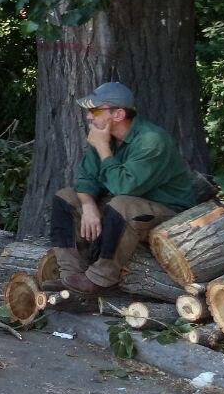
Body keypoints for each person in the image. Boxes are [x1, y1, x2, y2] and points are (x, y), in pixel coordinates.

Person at [48, 82, 196, 294]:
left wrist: (102, 148)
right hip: (125, 205)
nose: (89, 117)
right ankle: (71, 275)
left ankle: (101, 279)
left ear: (118, 114)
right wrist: (88, 206)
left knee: (122, 205)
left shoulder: (152, 140)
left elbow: (123, 187)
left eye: (95, 111)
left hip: (169, 212)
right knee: (66, 198)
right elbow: (85, 179)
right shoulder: (105, 138)